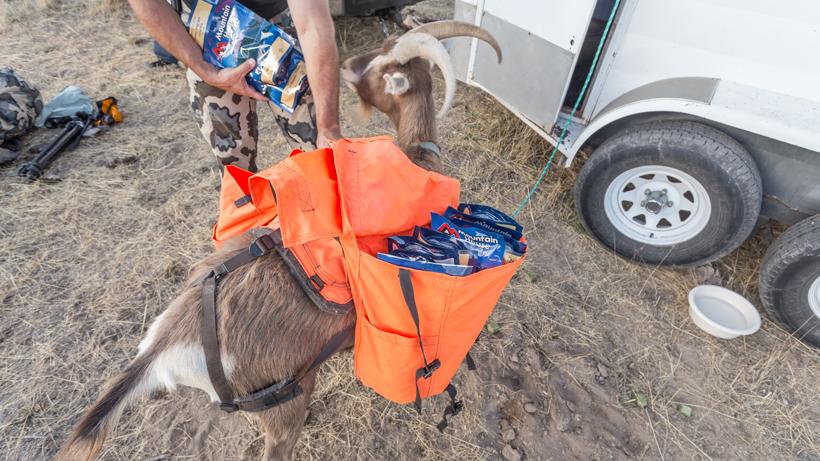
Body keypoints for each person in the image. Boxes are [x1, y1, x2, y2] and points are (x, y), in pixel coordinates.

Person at [128, 0, 341, 172]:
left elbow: (314, 26)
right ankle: (249, 219)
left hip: (276, 32)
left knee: (320, 155)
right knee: (233, 164)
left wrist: (328, 126)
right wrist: (203, 68)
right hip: (207, 35)